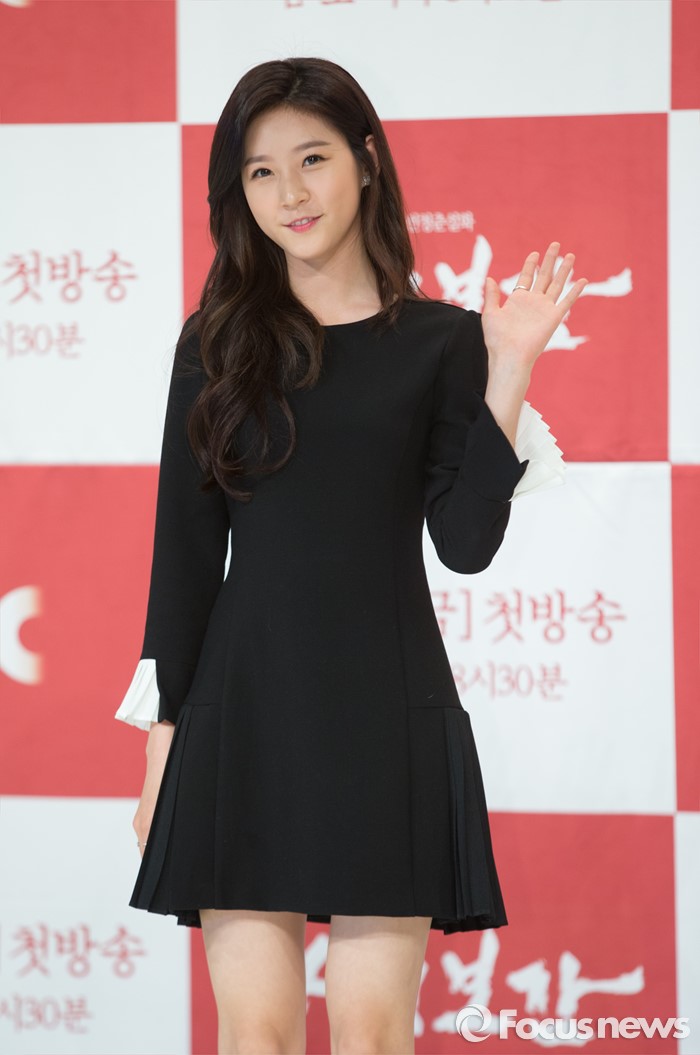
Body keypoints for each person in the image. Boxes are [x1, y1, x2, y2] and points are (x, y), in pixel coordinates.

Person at [114, 56, 586, 1055]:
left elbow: (465, 545)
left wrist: (508, 368)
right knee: (256, 1034)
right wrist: (161, 749)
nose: (289, 192)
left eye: (313, 159)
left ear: (366, 161)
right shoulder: (215, 343)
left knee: (372, 1035)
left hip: (386, 712)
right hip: (242, 715)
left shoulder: (444, 342)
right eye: (260, 171)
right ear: (238, 193)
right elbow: (183, 560)